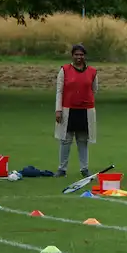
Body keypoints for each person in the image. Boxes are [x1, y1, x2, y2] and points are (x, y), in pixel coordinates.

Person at [54, 44, 98, 178]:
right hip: (68, 109)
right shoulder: (65, 70)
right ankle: (62, 169)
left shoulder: (92, 71)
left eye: (81, 55)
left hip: (85, 110)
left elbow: (94, 89)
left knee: (83, 140)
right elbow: (59, 91)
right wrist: (58, 109)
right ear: (72, 56)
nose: (79, 57)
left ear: (84, 56)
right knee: (65, 140)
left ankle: (84, 169)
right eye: (76, 54)